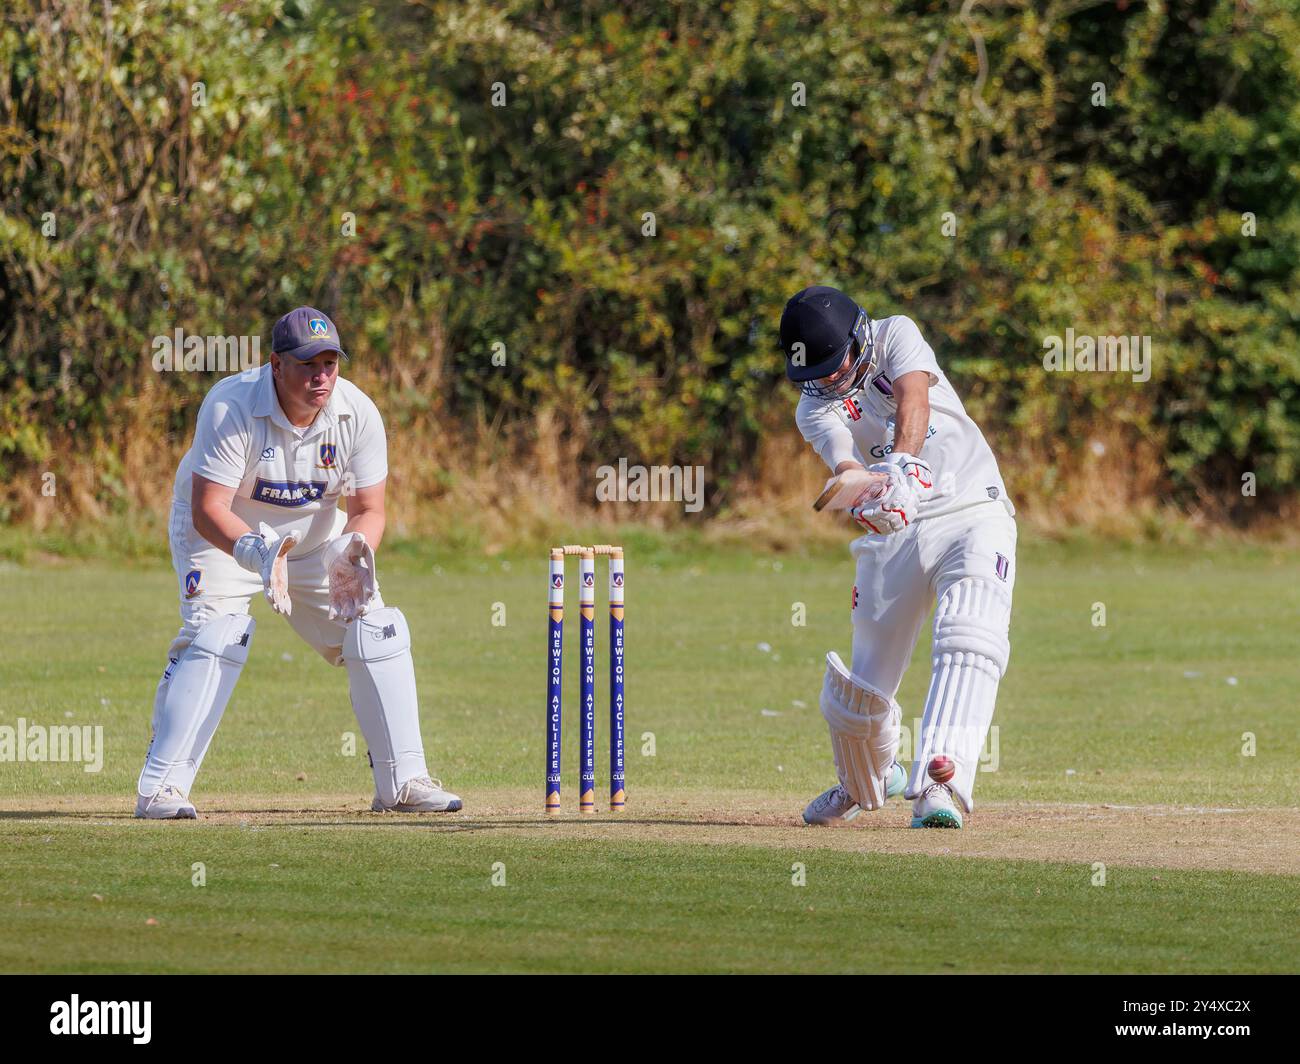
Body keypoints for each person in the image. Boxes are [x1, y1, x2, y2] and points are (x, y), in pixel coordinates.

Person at [134, 306, 461, 818]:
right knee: (219, 635)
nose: (321, 376)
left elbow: (369, 510)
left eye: (330, 363)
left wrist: (353, 552)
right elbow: (207, 508)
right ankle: (161, 788)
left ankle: (402, 782)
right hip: (224, 539)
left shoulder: (357, 413)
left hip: (313, 541)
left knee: (377, 628)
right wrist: (257, 553)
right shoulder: (231, 405)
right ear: (275, 364)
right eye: (308, 364)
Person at [779, 285, 1016, 828]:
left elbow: (914, 395)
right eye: (818, 376)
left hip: (969, 504)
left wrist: (904, 466)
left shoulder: (895, 334)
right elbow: (846, 468)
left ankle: (940, 783)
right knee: (860, 694)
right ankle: (869, 774)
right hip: (898, 529)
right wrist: (869, 501)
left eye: (837, 368)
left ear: (859, 336)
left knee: (969, 630)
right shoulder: (813, 408)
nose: (832, 383)